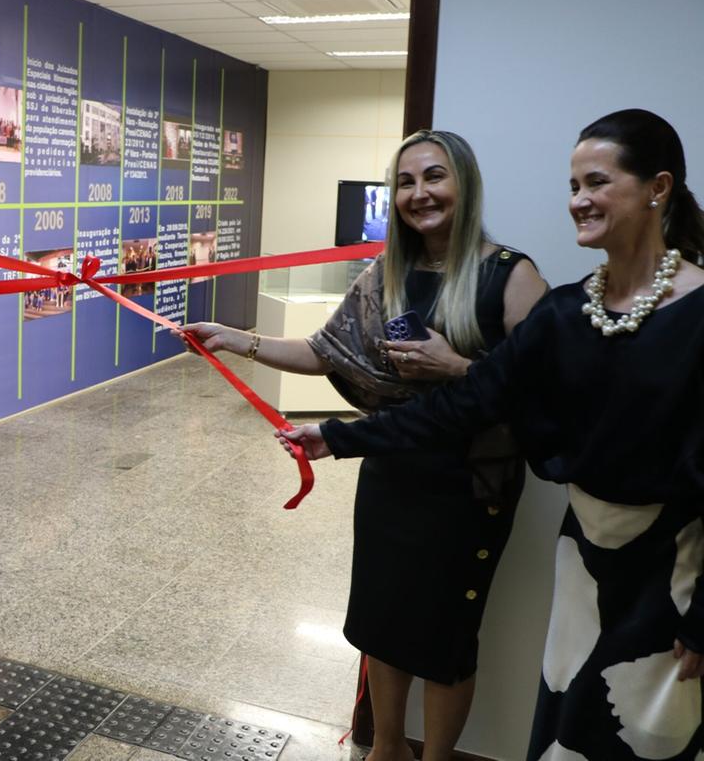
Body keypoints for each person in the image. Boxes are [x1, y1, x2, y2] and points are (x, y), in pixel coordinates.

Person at [291, 109, 704, 759]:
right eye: (573, 186)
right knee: (570, 718)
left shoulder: (697, 311)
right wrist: (338, 437)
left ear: (658, 187)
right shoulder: (569, 309)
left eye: (595, 182)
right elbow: (465, 403)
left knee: (649, 730)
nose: (579, 201)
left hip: (674, 565)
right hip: (585, 553)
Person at [179, 130, 548, 761]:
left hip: (468, 487)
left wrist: (457, 367)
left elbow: (545, 392)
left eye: (435, 177)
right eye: (405, 182)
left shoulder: (511, 276)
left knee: (445, 641)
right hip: (391, 472)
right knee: (381, 622)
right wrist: (235, 338)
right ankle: (385, 751)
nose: (419, 193)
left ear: (465, 184)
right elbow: (325, 353)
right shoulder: (387, 274)